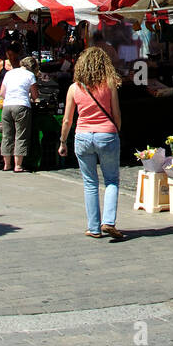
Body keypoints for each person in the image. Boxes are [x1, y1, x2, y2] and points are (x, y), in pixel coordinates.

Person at [60, 47, 123, 240]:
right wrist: (116, 131)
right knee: (111, 179)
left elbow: (67, 120)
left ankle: (93, 227)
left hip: (83, 136)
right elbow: (116, 113)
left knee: (90, 183)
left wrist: (63, 141)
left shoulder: (74, 88)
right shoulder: (110, 83)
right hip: (107, 134)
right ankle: (109, 221)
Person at [0, 55, 39, 173]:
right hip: (21, 106)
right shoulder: (30, 75)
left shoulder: (10, 73)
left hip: (7, 106)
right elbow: (35, 95)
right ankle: (18, 165)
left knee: (7, 135)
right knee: (20, 135)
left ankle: (6, 165)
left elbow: (2, 93)